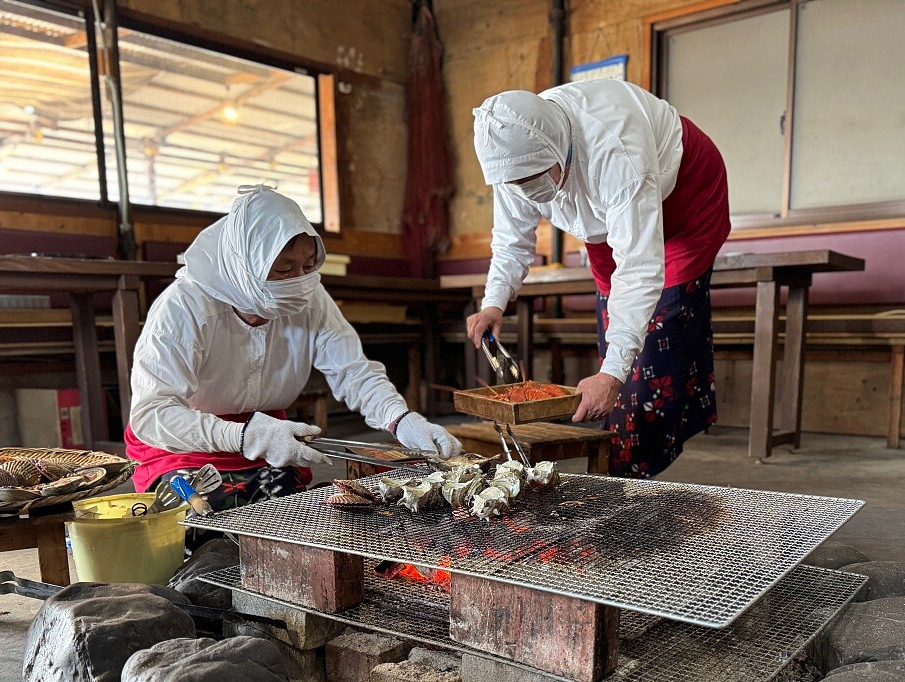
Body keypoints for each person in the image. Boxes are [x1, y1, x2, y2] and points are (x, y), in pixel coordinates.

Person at [125, 185, 461, 510]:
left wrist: (400, 419)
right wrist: (246, 436)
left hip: (271, 442)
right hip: (187, 446)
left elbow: (353, 371)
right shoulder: (184, 308)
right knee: (203, 527)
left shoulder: (309, 297)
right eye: (284, 268)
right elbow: (153, 415)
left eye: (307, 266)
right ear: (245, 263)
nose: (299, 281)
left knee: (299, 516)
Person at [467, 80, 730, 479]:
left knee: (663, 327)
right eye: (517, 183)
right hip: (607, 220)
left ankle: (632, 470)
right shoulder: (513, 159)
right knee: (615, 330)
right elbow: (511, 240)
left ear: (556, 146)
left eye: (534, 176)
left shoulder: (615, 148)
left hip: (686, 197)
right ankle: (620, 452)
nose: (527, 190)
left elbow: (640, 269)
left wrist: (611, 374)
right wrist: (493, 302)